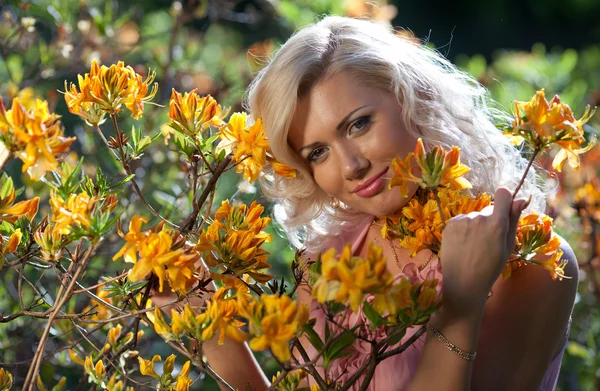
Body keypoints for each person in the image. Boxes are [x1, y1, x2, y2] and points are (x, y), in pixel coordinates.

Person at [158, 15, 578, 391]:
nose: (352, 166)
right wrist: (212, 327)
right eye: (317, 153)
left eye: (358, 124)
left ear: (413, 97)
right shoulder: (326, 264)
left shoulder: (530, 259)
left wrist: (461, 307)